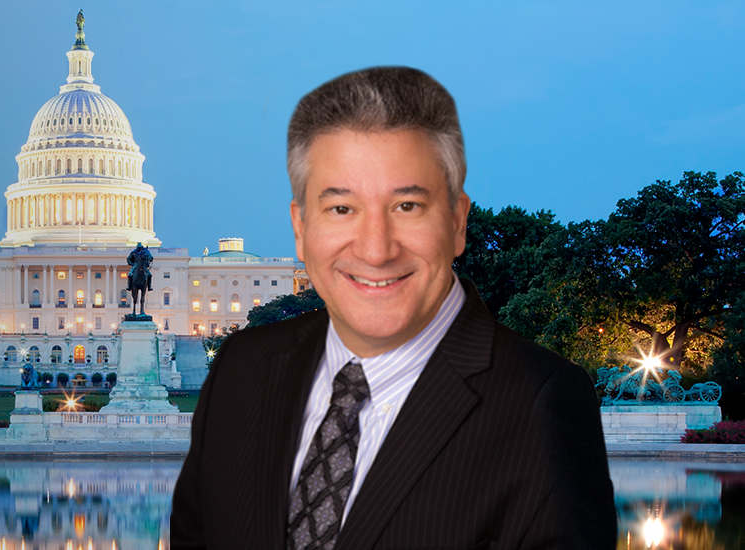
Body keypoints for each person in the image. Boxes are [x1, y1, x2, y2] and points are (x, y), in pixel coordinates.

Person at [170, 67, 615, 549]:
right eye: (341, 208)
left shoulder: (540, 400)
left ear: (457, 221)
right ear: (300, 228)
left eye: (407, 206)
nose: (376, 249)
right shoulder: (242, 369)